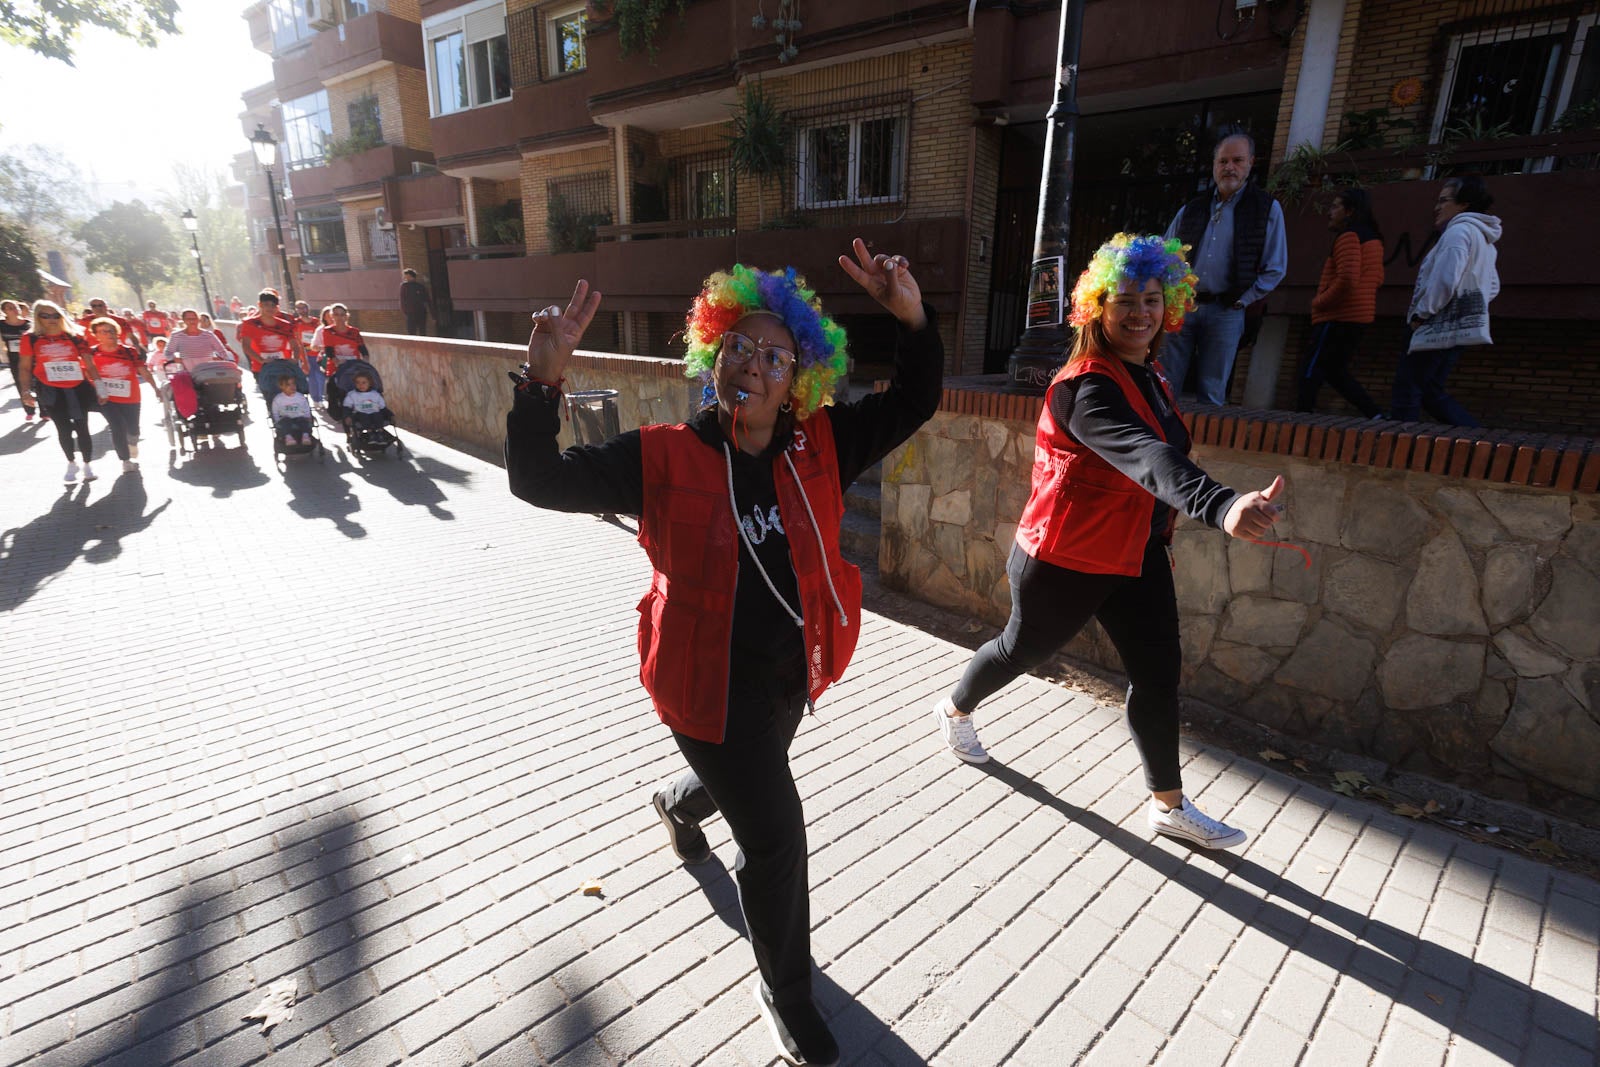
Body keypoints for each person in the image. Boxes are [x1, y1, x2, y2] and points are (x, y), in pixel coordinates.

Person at [506, 239, 942, 1067]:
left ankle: (677, 802)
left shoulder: (821, 444)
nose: (753, 361)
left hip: (786, 682)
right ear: (712, 355)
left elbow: (917, 396)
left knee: (746, 784)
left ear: (800, 378)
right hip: (700, 688)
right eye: (737, 343)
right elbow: (537, 478)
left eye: (775, 354)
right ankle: (786, 992)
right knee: (775, 839)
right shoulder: (662, 455)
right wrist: (542, 380)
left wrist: (911, 316)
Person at [929, 234, 1286, 851]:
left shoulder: (1149, 376)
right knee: (1020, 652)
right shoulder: (1083, 388)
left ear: (1169, 305)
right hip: (1063, 560)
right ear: (1095, 307)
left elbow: (1158, 455)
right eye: (1125, 299)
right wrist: (1222, 504)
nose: (1140, 312)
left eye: (1152, 299)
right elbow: (1146, 456)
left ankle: (1167, 805)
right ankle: (955, 710)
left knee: (1157, 675)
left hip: (1137, 556)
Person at [1161, 131, 1287, 405]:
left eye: (1237, 161)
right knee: (1164, 384)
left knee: (1212, 390)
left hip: (1227, 310)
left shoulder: (1266, 209)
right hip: (1184, 306)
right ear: (1215, 164)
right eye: (1223, 161)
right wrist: (1170, 295)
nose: (1229, 167)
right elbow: (1165, 255)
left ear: (1251, 163)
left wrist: (1243, 301)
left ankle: (1201, 447)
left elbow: (1275, 266)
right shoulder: (1193, 208)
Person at [1391, 175, 1500, 427]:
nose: (1436, 207)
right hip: (1460, 328)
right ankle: (1478, 441)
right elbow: (1492, 285)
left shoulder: (1458, 232)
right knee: (1430, 392)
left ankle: (1399, 448)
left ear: (1463, 204)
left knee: (1407, 390)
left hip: (1434, 324)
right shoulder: (1484, 239)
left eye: (1443, 201)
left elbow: (1445, 279)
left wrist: (1422, 314)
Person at [1298, 187, 1385, 416]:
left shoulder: (1349, 236)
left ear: (1349, 211)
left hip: (1337, 316)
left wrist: (1320, 302)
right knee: (1335, 371)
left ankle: (1299, 420)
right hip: (1358, 317)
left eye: (1335, 206)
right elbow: (1377, 278)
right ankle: (1374, 413)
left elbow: (1347, 278)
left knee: (1311, 369)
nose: (1330, 212)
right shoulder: (1372, 239)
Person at [19, 299, 103, 484]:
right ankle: (71, 463)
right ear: (37, 317)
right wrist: (25, 392)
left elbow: (89, 363)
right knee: (63, 429)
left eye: (55, 315)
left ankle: (88, 465)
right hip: (50, 389)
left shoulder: (75, 336)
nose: (51, 319)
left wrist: (101, 387)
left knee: (83, 427)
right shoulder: (30, 338)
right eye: (45, 315)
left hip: (77, 387)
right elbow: (24, 367)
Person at [88, 317, 158, 472]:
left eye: (112, 330)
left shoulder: (129, 351)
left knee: (133, 429)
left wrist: (156, 389)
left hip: (130, 397)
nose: (109, 334)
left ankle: (133, 442)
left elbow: (143, 371)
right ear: (96, 335)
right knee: (117, 426)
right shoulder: (91, 353)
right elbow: (86, 373)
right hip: (106, 398)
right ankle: (125, 461)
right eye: (104, 331)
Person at [235, 290, 301, 374]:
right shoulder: (250, 323)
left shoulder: (285, 325)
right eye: (266, 305)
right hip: (261, 369)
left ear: (277, 307)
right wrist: (261, 360)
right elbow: (246, 346)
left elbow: (295, 345)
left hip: (284, 367)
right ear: (260, 305)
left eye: (273, 305)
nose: (270, 308)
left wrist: (295, 359)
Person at [2, 298, 38, 421]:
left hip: (31, 357)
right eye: (10, 308)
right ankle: (29, 410)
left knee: (38, 381)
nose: (14, 309)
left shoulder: (28, 323)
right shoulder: (1, 325)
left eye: (16, 307)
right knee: (21, 383)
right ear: (4, 311)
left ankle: (44, 410)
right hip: (14, 359)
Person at [167, 309, 234, 366]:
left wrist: (223, 359)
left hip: (208, 370)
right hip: (187, 371)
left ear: (198, 319)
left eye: (194, 318)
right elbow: (168, 353)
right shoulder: (176, 335)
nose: (192, 321)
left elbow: (221, 351)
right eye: (188, 319)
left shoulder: (208, 335)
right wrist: (176, 359)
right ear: (184, 320)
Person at [78, 299, 145, 355]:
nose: (97, 308)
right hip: (96, 354)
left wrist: (137, 350)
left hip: (119, 353)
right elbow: (80, 338)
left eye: (100, 305)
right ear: (91, 308)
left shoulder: (120, 320)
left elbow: (131, 336)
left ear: (106, 306)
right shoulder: (84, 321)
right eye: (94, 306)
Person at [293, 300, 325, 405]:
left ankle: (321, 397)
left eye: (304, 307)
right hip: (305, 354)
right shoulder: (296, 323)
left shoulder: (316, 322)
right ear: (296, 310)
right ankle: (315, 399)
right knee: (311, 377)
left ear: (308, 308)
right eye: (299, 308)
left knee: (320, 376)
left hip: (318, 352)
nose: (302, 310)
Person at [271, 374, 314, 446]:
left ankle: (305, 436)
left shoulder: (300, 397)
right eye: (288, 385)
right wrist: (277, 420)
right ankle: (288, 437)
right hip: (286, 418)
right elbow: (275, 411)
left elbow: (306, 407)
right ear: (281, 387)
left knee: (304, 422)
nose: (292, 386)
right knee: (284, 422)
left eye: (293, 384)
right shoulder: (278, 399)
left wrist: (308, 416)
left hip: (299, 417)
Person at [399, 268, 429, 335]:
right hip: (411, 313)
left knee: (422, 332)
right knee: (411, 332)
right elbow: (402, 300)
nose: (405, 278)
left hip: (421, 312)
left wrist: (433, 315)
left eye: (406, 276)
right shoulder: (404, 286)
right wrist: (405, 312)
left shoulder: (420, 286)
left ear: (411, 276)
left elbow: (427, 299)